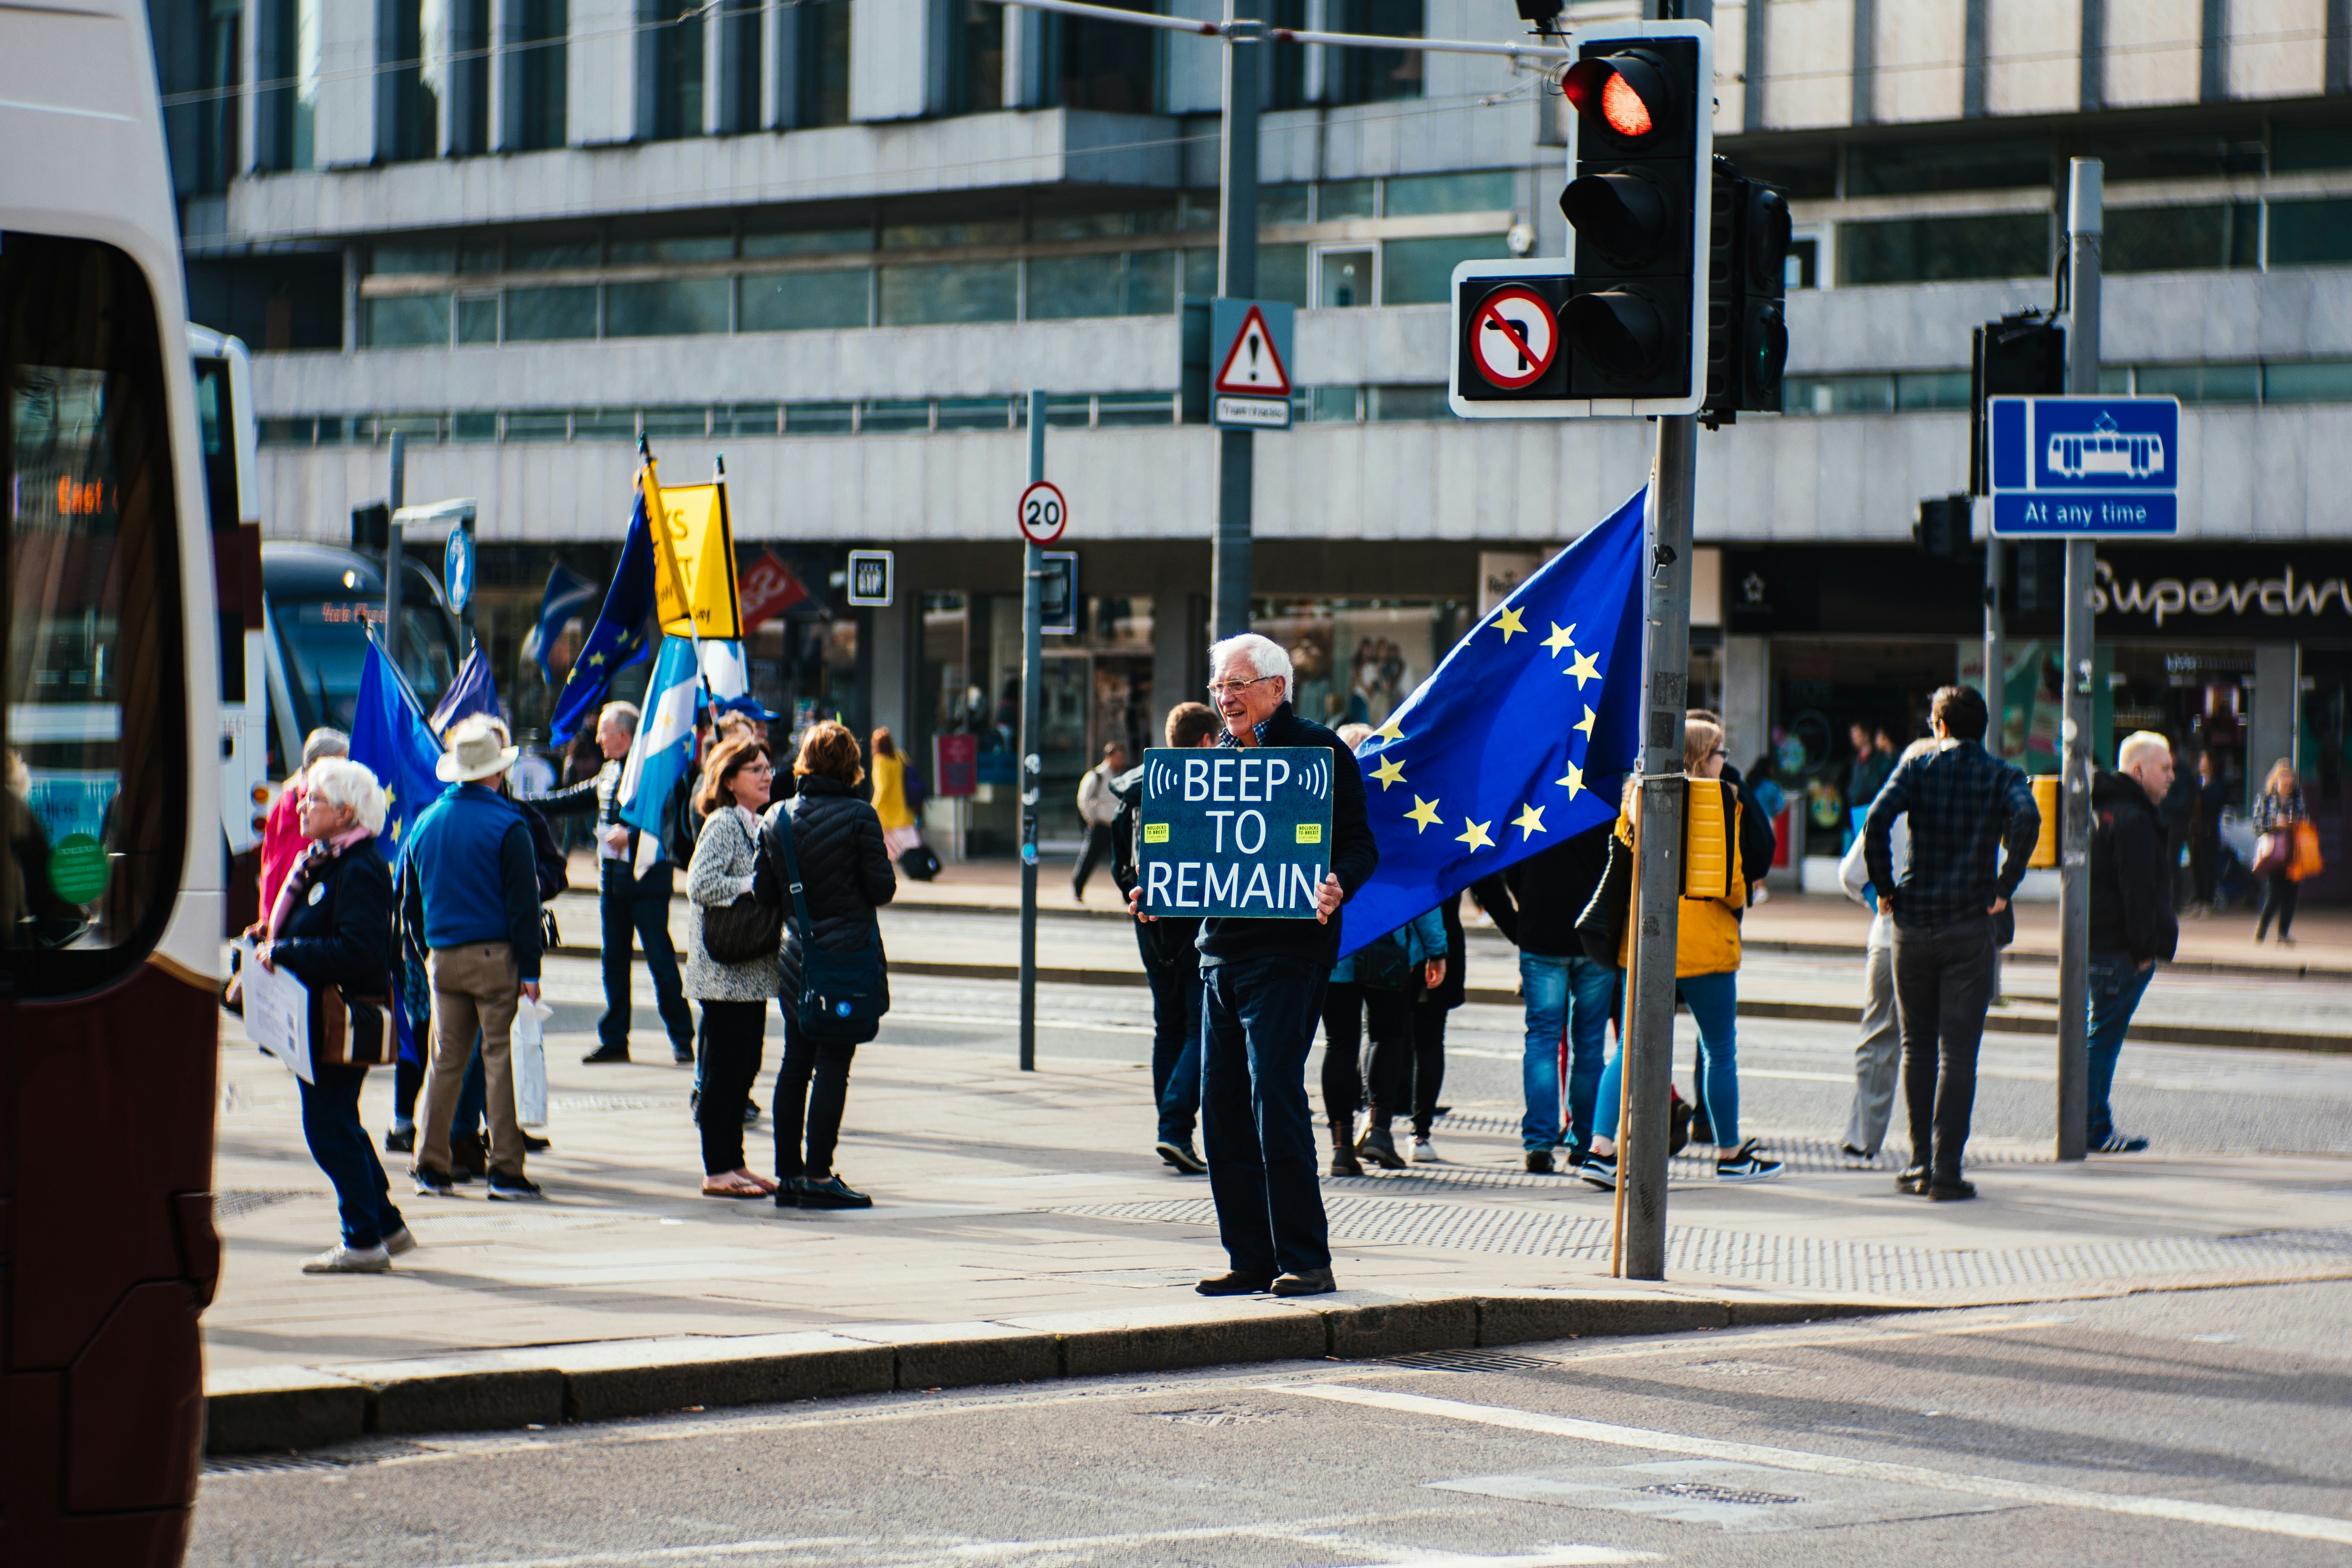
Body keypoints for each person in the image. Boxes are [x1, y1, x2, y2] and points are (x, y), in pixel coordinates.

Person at [1130, 633, 1376, 1299]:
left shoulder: (1319, 751)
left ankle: (1306, 1258)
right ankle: (1249, 1257)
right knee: (1223, 1109)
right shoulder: (1217, 760)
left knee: (1274, 1096)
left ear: (1276, 686)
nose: (1225, 697)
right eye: (1218, 686)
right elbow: (1196, 857)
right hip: (1220, 956)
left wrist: (1338, 882)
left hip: (1289, 954)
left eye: (1237, 685)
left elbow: (1361, 845)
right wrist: (1157, 893)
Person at [1584, 719, 1782, 1188]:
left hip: (1644, 938)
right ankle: (1730, 1154)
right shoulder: (1720, 801)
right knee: (1719, 1050)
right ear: (1699, 756)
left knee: (1628, 1049)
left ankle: (1601, 1151)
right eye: (1719, 753)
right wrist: (1741, 898)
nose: (1725, 761)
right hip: (1704, 944)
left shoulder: (1637, 796)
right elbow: (1731, 884)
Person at [1864, 684, 2039, 1203]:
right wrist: (2004, 886)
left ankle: (1918, 1161)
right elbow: (2028, 817)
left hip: (1913, 923)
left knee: (1917, 1046)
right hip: (1969, 923)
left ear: (1939, 726)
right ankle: (1946, 1169)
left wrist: (1886, 888)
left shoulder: (1917, 769)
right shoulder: (2002, 774)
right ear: (1982, 728)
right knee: (1958, 1053)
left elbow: (1877, 819)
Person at [250, 757, 414, 1273]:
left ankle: (362, 1240)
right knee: (342, 1122)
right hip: (315, 1018)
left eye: (314, 799)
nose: (301, 805)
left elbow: (359, 952)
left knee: (328, 1128)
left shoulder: (359, 868)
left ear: (345, 813)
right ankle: (386, 1224)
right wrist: (271, 937)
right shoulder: (326, 860)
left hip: (338, 1018)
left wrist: (287, 950)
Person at [403, 714, 546, 1201]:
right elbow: (524, 907)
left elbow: (410, 905)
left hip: (443, 955)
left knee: (444, 1062)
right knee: (498, 1058)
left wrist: (428, 950)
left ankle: (430, 1164)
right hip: (495, 954)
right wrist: (531, 968)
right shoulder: (509, 824)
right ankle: (505, 1168)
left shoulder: (425, 822)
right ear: (497, 771)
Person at [759, 720, 896, 1210]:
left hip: (797, 958)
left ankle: (788, 1176)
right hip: (847, 958)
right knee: (833, 1064)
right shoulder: (860, 815)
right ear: (851, 765)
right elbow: (882, 889)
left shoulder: (776, 817)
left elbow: (763, 893)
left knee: (794, 1062)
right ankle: (819, 1176)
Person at [527, 702, 698, 1067]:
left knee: (661, 963)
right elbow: (569, 800)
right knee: (614, 964)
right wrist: (521, 804)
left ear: (624, 735)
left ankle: (683, 1039)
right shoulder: (608, 771)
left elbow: (667, 820)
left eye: (604, 732)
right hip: (612, 886)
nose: (599, 739)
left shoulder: (652, 771)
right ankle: (615, 1039)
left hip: (646, 884)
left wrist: (631, 837)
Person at [1112, 701, 1221, 1175]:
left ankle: (1170, 1128)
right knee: (1201, 1028)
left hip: (1149, 922)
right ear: (1205, 741)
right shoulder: (1203, 787)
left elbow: (1120, 859)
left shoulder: (1137, 788)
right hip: (1193, 922)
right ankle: (1175, 1128)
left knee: (1168, 1026)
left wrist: (1135, 898)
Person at [1472, 821, 1615, 1173]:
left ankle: (1539, 1143)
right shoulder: (1606, 802)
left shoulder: (1531, 800)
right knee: (1589, 1045)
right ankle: (1583, 1142)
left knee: (1541, 1041)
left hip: (1540, 937)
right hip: (1596, 939)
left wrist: (1517, 928)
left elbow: (1485, 872)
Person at [683, 736, 784, 1200]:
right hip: (724, 973)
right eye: (755, 770)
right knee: (723, 1074)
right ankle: (717, 1169)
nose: (767, 775)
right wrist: (752, 884)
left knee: (744, 1069)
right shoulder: (724, 822)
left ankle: (735, 1162)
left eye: (767, 767)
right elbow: (700, 884)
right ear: (728, 781)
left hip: (750, 970)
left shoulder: (756, 823)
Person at [1834, 741, 1930, 1163]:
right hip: (1948, 940)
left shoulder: (1889, 810)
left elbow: (1850, 875)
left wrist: (1878, 899)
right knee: (1939, 1045)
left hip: (1890, 937)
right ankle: (1933, 1144)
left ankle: (1861, 1138)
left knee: (1879, 1036)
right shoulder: (1964, 807)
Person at [2087, 731, 2179, 1156]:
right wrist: (2144, 950)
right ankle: (2091, 1126)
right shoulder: (2133, 819)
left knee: (2097, 1036)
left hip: (2100, 942)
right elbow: (2137, 891)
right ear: (2138, 770)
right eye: (2165, 769)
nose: (2172, 777)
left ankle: (2087, 1122)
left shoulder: (2102, 808)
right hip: (2120, 949)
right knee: (2102, 1041)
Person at [260, 728, 348, 914]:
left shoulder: (287, 798)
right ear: (321, 764)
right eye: (342, 765)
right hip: (297, 910)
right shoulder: (320, 807)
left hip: (278, 909)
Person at [2252, 758, 2307, 945]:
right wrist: (2275, 824)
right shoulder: (2265, 797)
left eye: (2290, 776)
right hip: (2274, 851)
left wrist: (2294, 823)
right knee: (2275, 893)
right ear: (2275, 778)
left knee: (2292, 893)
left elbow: (2305, 819)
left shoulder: (2297, 797)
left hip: (2295, 850)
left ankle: (2283, 933)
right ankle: (2262, 927)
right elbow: (2257, 824)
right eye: (2283, 776)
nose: (2287, 780)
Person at [1071, 740, 1129, 901]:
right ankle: (1077, 890)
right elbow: (1083, 800)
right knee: (1089, 859)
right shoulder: (1097, 776)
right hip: (1101, 826)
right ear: (1109, 757)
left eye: (1123, 758)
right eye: (1118, 758)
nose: (1121, 761)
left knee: (1123, 863)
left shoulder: (1122, 776)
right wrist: (1091, 820)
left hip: (1117, 827)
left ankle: (1127, 895)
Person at [868, 726, 923, 866]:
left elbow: (883, 788)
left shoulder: (880, 761)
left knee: (889, 851)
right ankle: (921, 868)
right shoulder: (900, 756)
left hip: (889, 814)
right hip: (905, 811)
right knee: (913, 850)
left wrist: (874, 807)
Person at [2188, 750, 2228, 916]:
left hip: (2210, 830)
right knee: (2196, 865)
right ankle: (2198, 900)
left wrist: (2201, 794)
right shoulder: (2196, 782)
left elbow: (2216, 802)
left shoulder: (2219, 784)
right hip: (2195, 831)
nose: (2201, 763)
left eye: (2204, 759)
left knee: (2209, 867)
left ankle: (2208, 901)